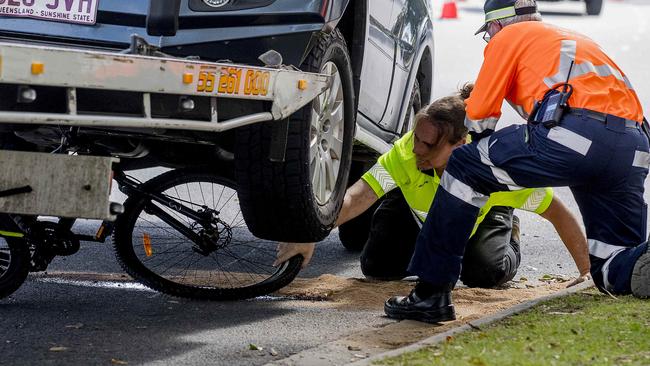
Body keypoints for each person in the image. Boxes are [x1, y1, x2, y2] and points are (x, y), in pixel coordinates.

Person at [385, 0, 650, 324]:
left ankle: (430, 295)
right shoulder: (577, 40)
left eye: (488, 34)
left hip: (575, 135)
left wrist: (484, 161)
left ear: (496, 26)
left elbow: (479, 115)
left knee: (465, 166)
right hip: (635, 146)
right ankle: (637, 261)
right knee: (612, 266)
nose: (489, 40)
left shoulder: (508, 38)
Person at [275, 84, 591, 295]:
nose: (416, 150)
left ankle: (510, 230)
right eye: (416, 138)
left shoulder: (500, 170)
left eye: (427, 144)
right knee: (378, 267)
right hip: (414, 211)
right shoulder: (407, 155)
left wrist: (587, 272)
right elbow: (360, 195)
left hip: (484, 218)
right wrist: (310, 234)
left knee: (483, 274)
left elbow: (559, 213)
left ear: (459, 146)